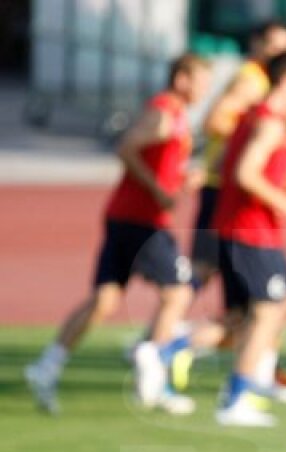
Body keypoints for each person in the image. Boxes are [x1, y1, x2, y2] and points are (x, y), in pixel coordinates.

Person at [25, 53, 213, 416]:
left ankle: (47, 366)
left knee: (105, 300)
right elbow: (127, 148)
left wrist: (180, 180)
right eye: (202, 80)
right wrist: (159, 189)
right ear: (181, 79)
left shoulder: (177, 117)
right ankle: (152, 364)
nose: (205, 89)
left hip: (125, 216)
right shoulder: (163, 112)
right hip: (141, 221)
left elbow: (160, 162)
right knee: (178, 291)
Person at [184, 20, 286, 390]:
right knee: (218, 278)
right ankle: (165, 340)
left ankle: (257, 369)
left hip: (238, 194)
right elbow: (214, 120)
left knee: (255, 300)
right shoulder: (253, 81)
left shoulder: (269, 92)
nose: (281, 56)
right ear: (257, 45)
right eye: (275, 47)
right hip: (229, 195)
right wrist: (250, 135)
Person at [212, 49, 286, 427]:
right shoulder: (268, 121)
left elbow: (241, 168)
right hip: (251, 231)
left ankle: (250, 383)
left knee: (269, 308)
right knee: (266, 312)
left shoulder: (258, 116)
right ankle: (235, 395)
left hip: (253, 230)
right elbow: (244, 173)